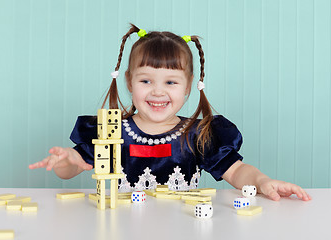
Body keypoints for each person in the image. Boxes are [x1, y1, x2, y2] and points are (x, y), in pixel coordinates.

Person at [29, 24, 311, 201]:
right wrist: (67, 160)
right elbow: (71, 168)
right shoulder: (112, 130)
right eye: (146, 81)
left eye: (171, 82)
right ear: (129, 81)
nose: (157, 91)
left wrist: (262, 181)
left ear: (188, 87)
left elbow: (237, 171)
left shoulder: (199, 134)